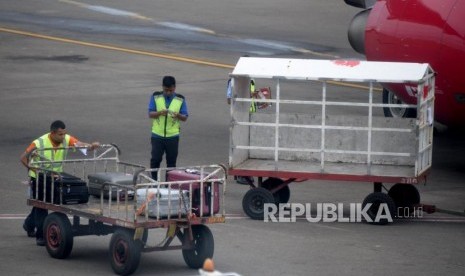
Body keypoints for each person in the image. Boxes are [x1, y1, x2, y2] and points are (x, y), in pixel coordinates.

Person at [20, 120, 100, 246]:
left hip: (55, 178)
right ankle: (40, 236)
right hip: (39, 178)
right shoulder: (39, 142)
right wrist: (33, 169)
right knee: (42, 206)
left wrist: (90, 146)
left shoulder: (66, 139)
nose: (63, 137)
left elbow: (79, 144)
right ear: (52, 133)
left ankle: (28, 224)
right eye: (60, 134)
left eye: (64, 134)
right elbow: (23, 158)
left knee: (46, 202)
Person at [148, 76, 188, 179]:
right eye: (166, 90)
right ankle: (154, 182)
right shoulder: (156, 96)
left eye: (171, 90)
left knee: (171, 163)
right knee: (155, 160)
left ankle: (168, 185)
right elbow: (150, 114)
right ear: (162, 87)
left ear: (174, 87)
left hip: (173, 136)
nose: (168, 93)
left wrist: (178, 115)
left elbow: (185, 117)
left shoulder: (180, 99)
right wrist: (160, 113)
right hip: (157, 135)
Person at [226, 77, 256, 185]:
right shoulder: (233, 81)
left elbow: (252, 101)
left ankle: (248, 173)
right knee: (239, 143)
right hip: (239, 115)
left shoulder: (252, 80)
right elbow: (229, 100)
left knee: (248, 144)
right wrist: (244, 97)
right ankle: (240, 174)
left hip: (251, 116)